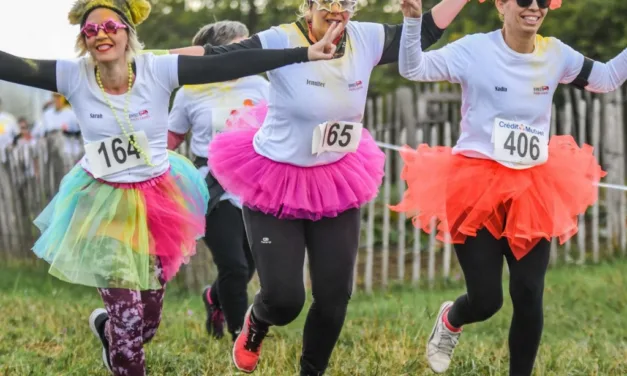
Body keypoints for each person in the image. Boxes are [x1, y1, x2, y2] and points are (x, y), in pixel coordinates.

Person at [0, 0, 342, 375]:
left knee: (145, 323)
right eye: (91, 29)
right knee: (129, 327)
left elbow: (227, 60)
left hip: (157, 202)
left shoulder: (157, 67)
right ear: (83, 39)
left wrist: (304, 53)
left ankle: (107, 330)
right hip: (102, 203)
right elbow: (12, 64)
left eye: (111, 26)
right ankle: (121, 345)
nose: (101, 34)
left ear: (128, 31)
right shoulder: (73, 75)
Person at [172, 0, 470, 374]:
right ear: (308, 5)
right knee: (284, 300)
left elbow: (424, 31)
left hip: (335, 179)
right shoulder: (281, 38)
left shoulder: (367, 37)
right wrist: (147, 60)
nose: (337, 11)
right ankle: (257, 323)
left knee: (333, 296)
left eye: (346, 3)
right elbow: (219, 57)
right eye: (327, 2)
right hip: (275, 180)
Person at [391, 0, 626, 375]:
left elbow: (607, 78)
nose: (533, 7)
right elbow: (413, 67)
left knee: (529, 293)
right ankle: (452, 319)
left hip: (532, 186)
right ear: (501, 4)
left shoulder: (556, 54)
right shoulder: (474, 50)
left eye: (542, 0)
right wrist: (413, 20)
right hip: (475, 184)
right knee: (487, 301)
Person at [168, 20, 269, 342]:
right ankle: (241, 338)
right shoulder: (191, 91)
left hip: (255, 185)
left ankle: (214, 297)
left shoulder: (261, 85)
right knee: (234, 266)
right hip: (211, 187)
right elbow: (170, 138)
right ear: (217, 52)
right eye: (238, 46)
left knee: (253, 262)